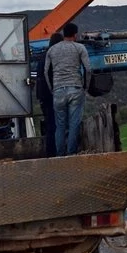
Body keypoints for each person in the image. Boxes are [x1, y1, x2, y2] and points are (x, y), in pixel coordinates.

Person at [44, 22, 92, 156]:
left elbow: (46, 71)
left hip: (58, 90)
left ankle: (60, 155)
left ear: (64, 34)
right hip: (75, 89)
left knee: (60, 126)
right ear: (75, 35)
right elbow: (88, 69)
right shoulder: (80, 48)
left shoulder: (52, 50)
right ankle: (71, 154)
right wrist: (85, 87)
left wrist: (52, 89)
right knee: (74, 124)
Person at [36, 32, 64, 157]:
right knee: (56, 125)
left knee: (50, 125)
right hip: (52, 95)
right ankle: (55, 153)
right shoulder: (54, 56)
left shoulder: (43, 55)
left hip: (43, 96)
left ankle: (51, 153)